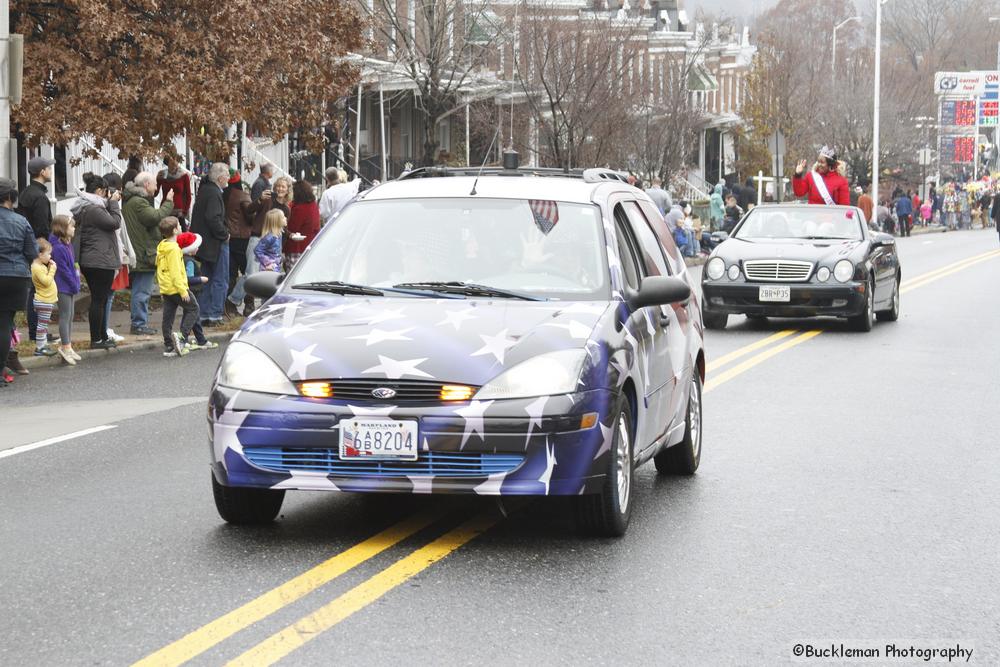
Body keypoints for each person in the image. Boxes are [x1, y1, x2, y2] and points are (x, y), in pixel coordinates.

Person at [72, 173, 124, 350]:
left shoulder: (86, 206)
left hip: (92, 259)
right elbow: (115, 222)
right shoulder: (94, 209)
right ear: (100, 191)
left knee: (99, 299)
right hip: (99, 260)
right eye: (106, 192)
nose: (108, 195)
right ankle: (96, 339)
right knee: (98, 300)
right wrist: (114, 203)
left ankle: (101, 337)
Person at [123, 171, 175, 335]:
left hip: (140, 251)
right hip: (143, 253)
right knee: (142, 291)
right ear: (146, 185)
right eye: (154, 184)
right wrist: (168, 202)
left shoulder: (133, 201)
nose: (156, 187)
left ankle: (139, 322)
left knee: (141, 290)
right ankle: (139, 324)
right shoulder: (139, 202)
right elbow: (155, 217)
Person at [0, 178, 38, 386]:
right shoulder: (21, 221)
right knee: (5, 324)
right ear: (10, 198)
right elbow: (32, 252)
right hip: (16, 276)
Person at [18, 156, 56, 344]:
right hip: (37, 249)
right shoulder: (40, 197)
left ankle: (35, 331)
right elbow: (41, 228)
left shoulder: (25, 193)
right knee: (38, 292)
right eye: (48, 168)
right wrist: (44, 254)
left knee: (32, 292)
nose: (50, 171)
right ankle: (37, 333)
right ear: (41, 172)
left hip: (25, 247)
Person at [190, 163, 231, 326]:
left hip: (204, 243)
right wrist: (225, 234)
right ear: (221, 178)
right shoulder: (214, 193)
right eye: (227, 175)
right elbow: (213, 218)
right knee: (220, 279)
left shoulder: (204, 190)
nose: (228, 178)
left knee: (206, 278)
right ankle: (214, 314)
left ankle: (204, 314)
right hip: (216, 242)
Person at [156, 216, 199, 357]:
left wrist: (162, 288)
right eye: (179, 226)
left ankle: (169, 345)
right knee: (193, 308)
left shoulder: (162, 246)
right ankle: (181, 338)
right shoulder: (174, 249)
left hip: (167, 288)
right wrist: (182, 290)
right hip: (176, 287)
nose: (181, 228)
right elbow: (175, 271)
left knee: (168, 317)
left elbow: (161, 269)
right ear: (175, 230)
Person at [175, 232, 217, 351]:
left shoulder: (184, 259)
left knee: (191, 315)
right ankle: (187, 339)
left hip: (191, 291)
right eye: (196, 246)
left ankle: (196, 339)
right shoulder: (189, 262)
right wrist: (201, 279)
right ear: (190, 249)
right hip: (193, 291)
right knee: (193, 315)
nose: (198, 248)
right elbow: (188, 279)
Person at [49, 214, 82, 365]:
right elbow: (63, 270)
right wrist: (74, 283)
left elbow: (73, 266)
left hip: (70, 285)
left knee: (70, 314)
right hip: (63, 286)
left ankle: (67, 344)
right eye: (71, 226)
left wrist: (77, 279)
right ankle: (65, 346)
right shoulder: (59, 248)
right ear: (63, 228)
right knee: (65, 315)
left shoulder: (67, 244)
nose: (74, 228)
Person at [223, 169, 252, 318]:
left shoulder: (222, 194)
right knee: (249, 273)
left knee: (231, 274)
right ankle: (248, 305)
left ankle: (228, 307)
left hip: (228, 238)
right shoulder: (243, 196)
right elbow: (251, 217)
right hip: (243, 239)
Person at [30, 238, 59, 357]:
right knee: (42, 326)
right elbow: (46, 281)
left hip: (46, 300)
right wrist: (52, 269)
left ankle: (43, 345)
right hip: (43, 301)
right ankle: (40, 348)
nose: (50, 256)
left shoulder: (40, 265)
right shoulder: (36, 267)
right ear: (39, 254)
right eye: (48, 253)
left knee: (43, 325)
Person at [286, 179, 320, 269]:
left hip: (297, 247)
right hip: (310, 245)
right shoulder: (313, 204)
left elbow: (292, 227)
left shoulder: (300, 208)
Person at [156, 155, 193, 230]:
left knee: (181, 238)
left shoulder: (184, 175)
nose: (175, 162)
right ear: (167, 162)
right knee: (166, 237)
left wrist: (184, 212)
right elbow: (155, 193)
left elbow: (188, 195)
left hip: (179, 213)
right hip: (165, 211)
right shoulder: (162, 175)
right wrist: (156, 179)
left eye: (176, 160)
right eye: (172, 161)